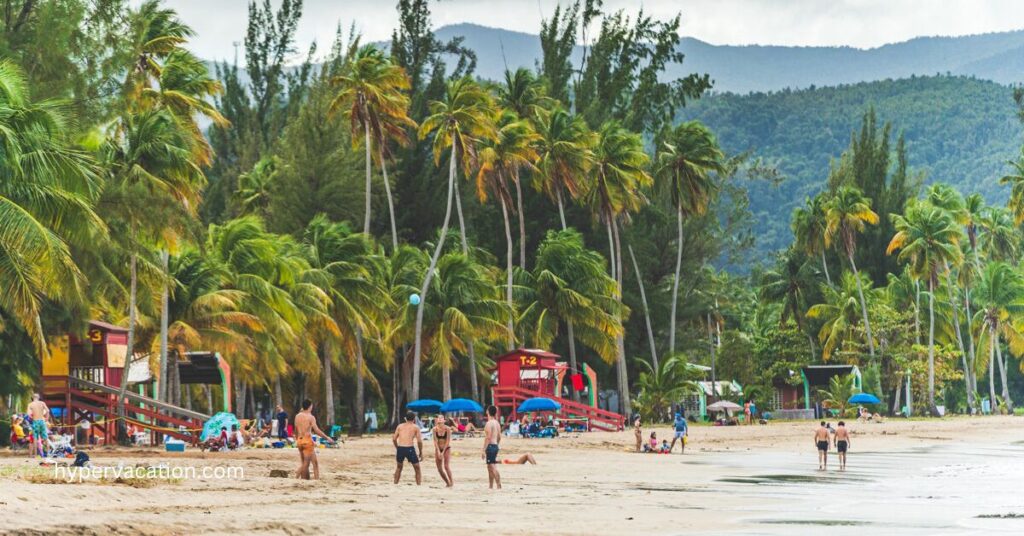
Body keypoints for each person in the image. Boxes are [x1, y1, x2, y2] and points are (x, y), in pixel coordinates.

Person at [294, 399, 333, 480]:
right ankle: (296, 478)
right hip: (307, 441)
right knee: (305, 464)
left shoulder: (297, 416)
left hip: (299, 440)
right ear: (310, 406)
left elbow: (296, 429)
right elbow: (317, 430)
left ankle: (314, 479)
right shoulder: (311, 417)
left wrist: (297, 439)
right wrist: (327, 437)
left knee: (313, 462)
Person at [393, 411, 423, 485]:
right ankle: (418, 485)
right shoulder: (415, 427)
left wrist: (397, 447)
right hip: (409, 448)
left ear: (405, 418)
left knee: (399, 467)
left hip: (400, 448)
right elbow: (419, 441)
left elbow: (394, 439)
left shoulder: (399, 426)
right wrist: (421, 452)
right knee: (417, 468)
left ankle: (395, 483)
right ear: (414, 419)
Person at [482, 405, 502, 489]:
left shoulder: (489, 423)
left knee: (492, 466)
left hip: (490, 446)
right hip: (495, 445)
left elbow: (488, 437)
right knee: (489, 466)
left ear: (488, 412)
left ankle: (498, 484)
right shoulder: (496, 423)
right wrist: (496, 444)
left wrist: (483, 450)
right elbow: (499, 436)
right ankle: (491, 486)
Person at [433, 415, 454, 487]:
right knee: (439, 468)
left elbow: (448, 441)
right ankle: (447, 482)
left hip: (446, 448)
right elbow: (435, 441)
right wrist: (439, 451)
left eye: (441, 418)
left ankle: (451, 482)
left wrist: (443, 452)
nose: (440, 419)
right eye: (439, 418)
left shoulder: (447, 429)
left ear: (444, 421)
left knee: (446, 466)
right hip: (438, 448)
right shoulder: (434, 429)